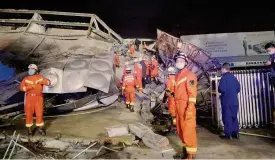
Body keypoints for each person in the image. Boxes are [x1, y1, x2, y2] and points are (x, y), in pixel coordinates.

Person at [174, 52, 198, 159]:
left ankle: (191, 155)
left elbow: (192, 95)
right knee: (181, 130)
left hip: (186, 107)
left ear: (186, 63)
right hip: (179, 107)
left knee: (188, 131)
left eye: (181, 61)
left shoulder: (190, 75)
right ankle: (186, 151)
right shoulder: (178, 76)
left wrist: (189, 109)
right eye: (178, 60)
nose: (179, 62)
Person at [20, 64, 51, 136]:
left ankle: (40, 128)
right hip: (29, 98)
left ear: (35, 70)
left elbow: (49, 83)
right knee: (28, 114)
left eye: (32, 69)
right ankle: (29, 130)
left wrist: (44, 81)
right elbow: (21, 88)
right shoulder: (26, 79)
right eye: (29, 69)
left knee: (39, 114)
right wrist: (29, 87)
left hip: (38, 98)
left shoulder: (40, 77)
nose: (30, 71)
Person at [218, 62, 240, 140]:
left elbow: (221, 89)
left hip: (226, 101)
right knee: (234, 117)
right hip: (235, 101)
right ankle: (236, 133)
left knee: (227, 118)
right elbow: (238, 89)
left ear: (224, 69)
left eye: (221, 69)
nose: (221, 70)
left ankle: (228, 135)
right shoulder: (234, 77)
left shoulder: (223, 78)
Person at [265, 43, 275, 125]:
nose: (268, 52)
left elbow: (272, 62)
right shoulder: (271, 56)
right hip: (273, 77)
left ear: (272, 48)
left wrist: (270, 62)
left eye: (268, 50)